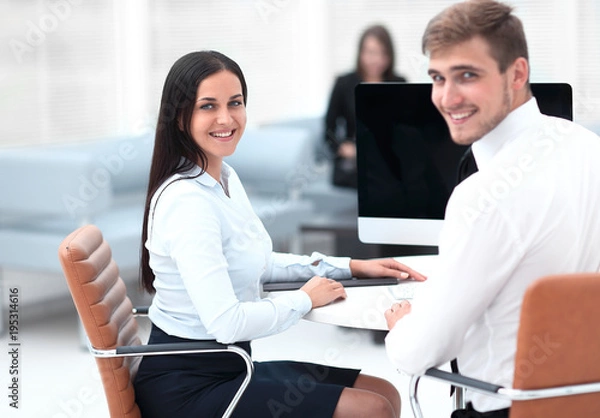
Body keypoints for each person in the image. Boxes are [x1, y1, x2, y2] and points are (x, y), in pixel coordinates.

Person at [134, 50, 426, 418]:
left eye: (235, 103)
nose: (226, 118)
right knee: (371, 409)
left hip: (230, 366)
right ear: (180, 117)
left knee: (383, 392)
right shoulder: (186, 202)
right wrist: (305, 298)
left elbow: (261, 263)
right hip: (189, 386)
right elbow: (226, 323)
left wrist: (350, 267)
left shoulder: (223, 178)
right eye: (208, 106)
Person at [383, 1, 600, 417]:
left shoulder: (482, 196)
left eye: (467, 75)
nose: (447, 97)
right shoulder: (588, 148)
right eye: (437, 78)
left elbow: (419, 352)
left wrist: (403, 326)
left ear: (517, 74)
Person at [325, 24, 406, 189]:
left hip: (389, 157)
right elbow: (328, 130)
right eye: (371, 52)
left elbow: (406, 127)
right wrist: (342, 147)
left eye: (382, 53)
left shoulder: (399, 83)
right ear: (361, 53)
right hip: (355, 161)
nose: (376, 59)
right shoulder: (344, 83)